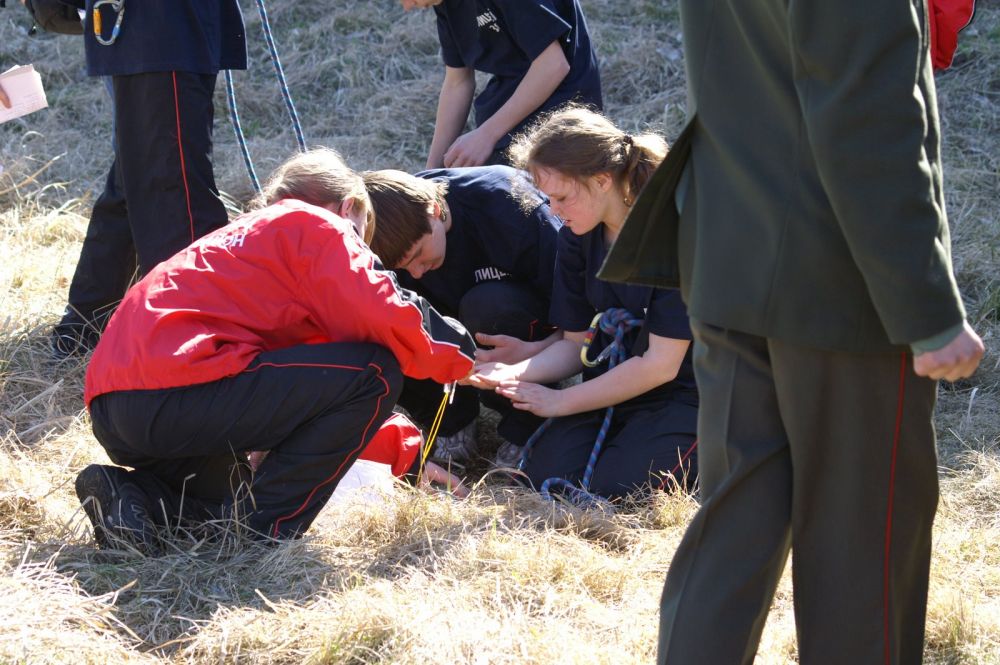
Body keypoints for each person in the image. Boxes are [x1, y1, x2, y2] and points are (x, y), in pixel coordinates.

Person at [597, 3, 986, 663]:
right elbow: (868, 122)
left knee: (732, 531)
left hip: (731, 254)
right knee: (862, 547)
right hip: (838, 285)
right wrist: (927, 310)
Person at [74, 149, 476, 554]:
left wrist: (407, 459)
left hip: (116, 410)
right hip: (176, 391)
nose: (363, 253)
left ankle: (131, 497)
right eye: (362, 237)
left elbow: (316, 400)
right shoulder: (315, 224)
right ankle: (261, 535)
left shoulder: (242, 248)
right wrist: (465, 355)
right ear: (349, 207)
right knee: (375, 372)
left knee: (236, 497)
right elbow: (387, 310)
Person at [466, 105, 699, 500]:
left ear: (602, 180)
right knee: (544, 477)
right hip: (612, 382)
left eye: (561, 197)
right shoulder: (577, 237)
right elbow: (576, 344)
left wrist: (561, 401)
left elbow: (660, 365)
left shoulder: (673, 233)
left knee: (615, 491)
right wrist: (511, 373)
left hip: (685, 392)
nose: (552, 210)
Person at [50, 0, 248, 358]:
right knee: (175, 193)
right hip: (159, 27)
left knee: (140, 178)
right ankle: (186, 340)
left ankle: (87, 327)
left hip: (160, 30)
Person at [364, 165, 561, 465]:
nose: (416, 272)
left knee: (488, 306)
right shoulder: (392, 231)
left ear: (434, 210)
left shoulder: (510, 207)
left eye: (418, 255)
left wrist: (538, 350)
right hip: (450, 322)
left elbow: (580, 304)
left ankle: (527, 426)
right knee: (381, 319)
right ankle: (450, 420)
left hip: (516, 319)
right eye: (403, 267)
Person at [400, 0, 602, 169]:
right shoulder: (443, 4)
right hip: (508, 103)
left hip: (564, 103)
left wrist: (486, 135)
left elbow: (553, 65)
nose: (406, 7)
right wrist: (430, 175)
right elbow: (457, 82)